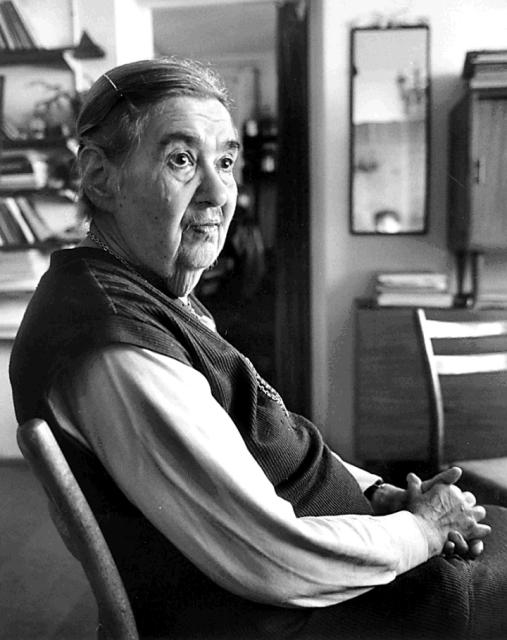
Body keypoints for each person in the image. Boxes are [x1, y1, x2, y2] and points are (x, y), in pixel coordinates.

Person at [9, 57, 507, 640]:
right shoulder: (118, 343)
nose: (220, 192)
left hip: (329, 570)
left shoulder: (147, 295)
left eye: (224, 161)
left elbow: (269, 446)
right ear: (100, 177)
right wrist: (421, 531)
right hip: (299, 614)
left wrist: (378, 493)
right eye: (181, 160)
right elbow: (272, 558)